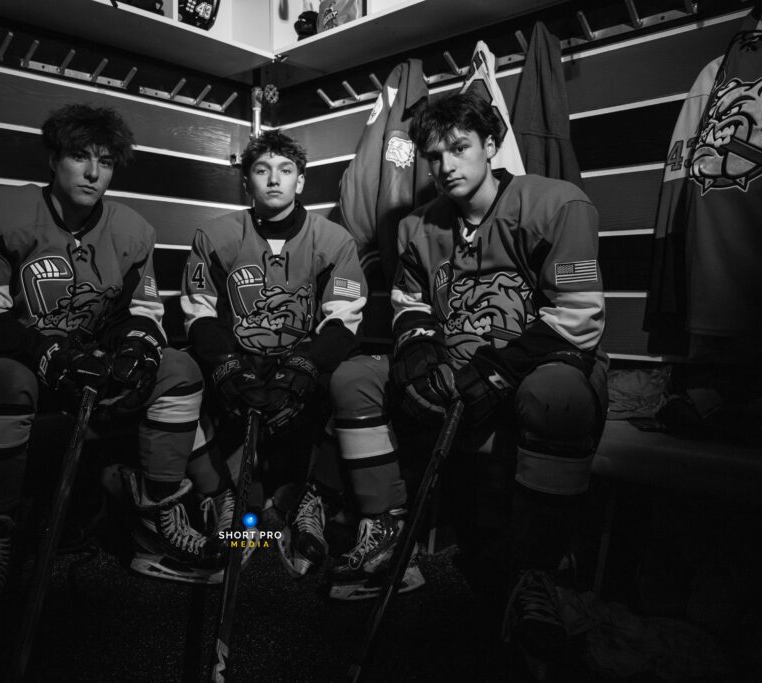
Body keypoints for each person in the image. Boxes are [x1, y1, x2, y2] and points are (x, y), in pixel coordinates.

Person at [0, 104, 218, 651]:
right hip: (18, 359)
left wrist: (137, 343)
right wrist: (46, 349)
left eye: (106, 161)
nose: (94, 173)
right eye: (79, 156)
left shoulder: (133, 230)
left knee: (178, 367)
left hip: (89, 364)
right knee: (0, 380)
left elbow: (141, 312)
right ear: (53, 159)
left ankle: (156, 518)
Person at [388, 91, 609, 668]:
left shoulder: (557, 203)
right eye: (434, 156)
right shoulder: (417, 226)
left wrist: (497, 370)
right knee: (361, 379)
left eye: (459, 148)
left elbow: (577, 317)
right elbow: (410, 302)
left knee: (556, 399)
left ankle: (538, 571)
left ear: (490, 145)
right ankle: (381, 530)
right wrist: (418, 350)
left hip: (544, 360)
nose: (446, 166)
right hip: (459, 365)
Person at [180, 130, 413, 599]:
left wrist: (303, 366)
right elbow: (200, 314)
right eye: (262, 170)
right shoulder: (216, 235)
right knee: (183, 374)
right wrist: (227, 366)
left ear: (300, 181)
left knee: (347, 380)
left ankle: (315, 498)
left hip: (300, 360)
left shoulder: (334, 240)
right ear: (247, 181)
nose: (274, 180)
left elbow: (343, 321)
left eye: (285, 170)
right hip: (241, 359)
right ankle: (228, 500)